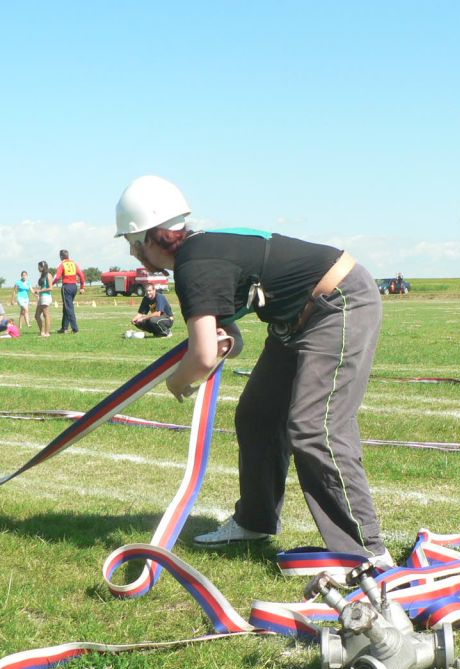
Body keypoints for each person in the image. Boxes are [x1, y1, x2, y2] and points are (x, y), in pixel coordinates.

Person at [114, 175, 392, 567]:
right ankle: (255, 522)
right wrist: (218, 346)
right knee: (258, 414)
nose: (134, 256)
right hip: (295, 320)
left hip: (339, 302)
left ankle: (366, 554)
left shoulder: (194, 265)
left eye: (132, 244)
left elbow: (203, 357)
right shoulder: (202, 254)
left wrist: (176, 382)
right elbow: (230, 338)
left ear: (152, 236)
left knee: (316, 427)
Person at [53, 249, 86, 333]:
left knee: (69, 308)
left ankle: (75, 329)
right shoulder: (74, 264)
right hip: (74, 287)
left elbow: (57, 277)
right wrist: (82, 287)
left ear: (61, 256)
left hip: (66, 287)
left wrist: (52, 284)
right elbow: (81, 275)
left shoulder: (62, 265)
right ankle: (64, 328)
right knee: (66, 308)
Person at [32, 260, 54, 337]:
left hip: (46, 297)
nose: (38, 268)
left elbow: (51, 288)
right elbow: (43, 286)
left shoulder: (49, 275)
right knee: (37, 315)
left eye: (39, 266)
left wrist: (40, 290)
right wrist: (38, 291)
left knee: (46, 315)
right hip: (41, 297)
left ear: (42, 267)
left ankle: (47, 333)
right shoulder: (42, 275)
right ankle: (42, 331)